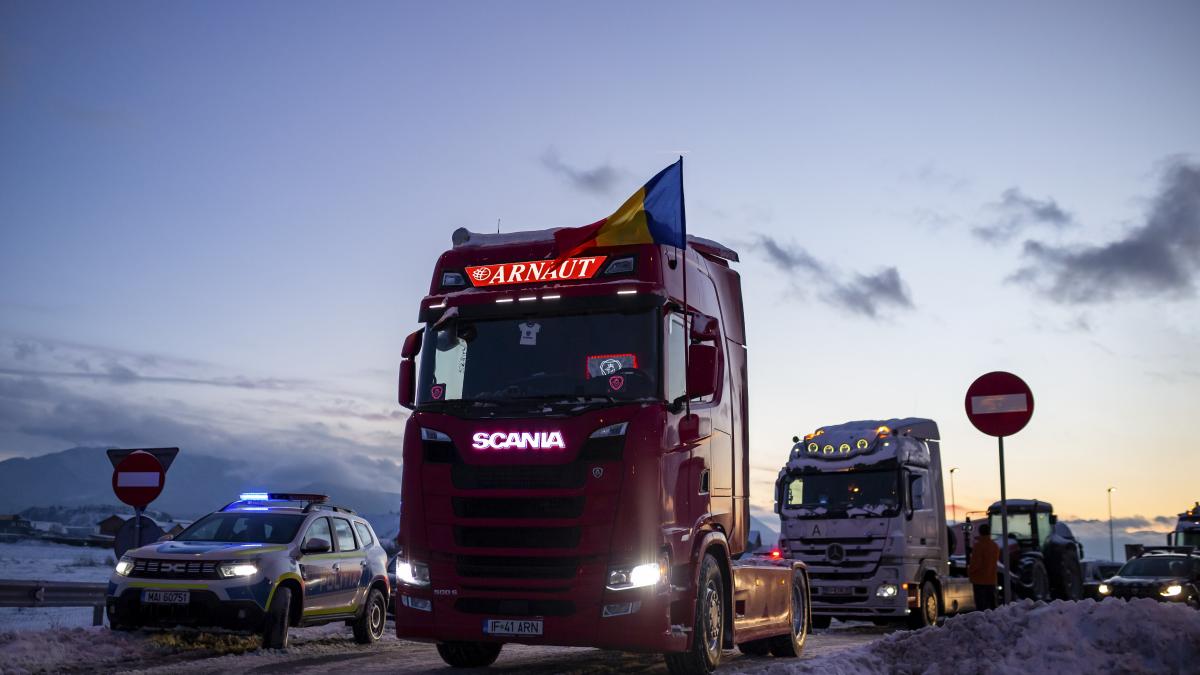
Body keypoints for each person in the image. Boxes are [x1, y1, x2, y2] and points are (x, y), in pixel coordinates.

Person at [969, 522, 1000, 611]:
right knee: (992, 605)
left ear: (980, 532)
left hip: (979, 580)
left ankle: (983, 623)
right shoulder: (995, 546)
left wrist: (969, 571)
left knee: (981, 607)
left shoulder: (978, 546)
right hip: (991, 579)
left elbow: (976, 563)